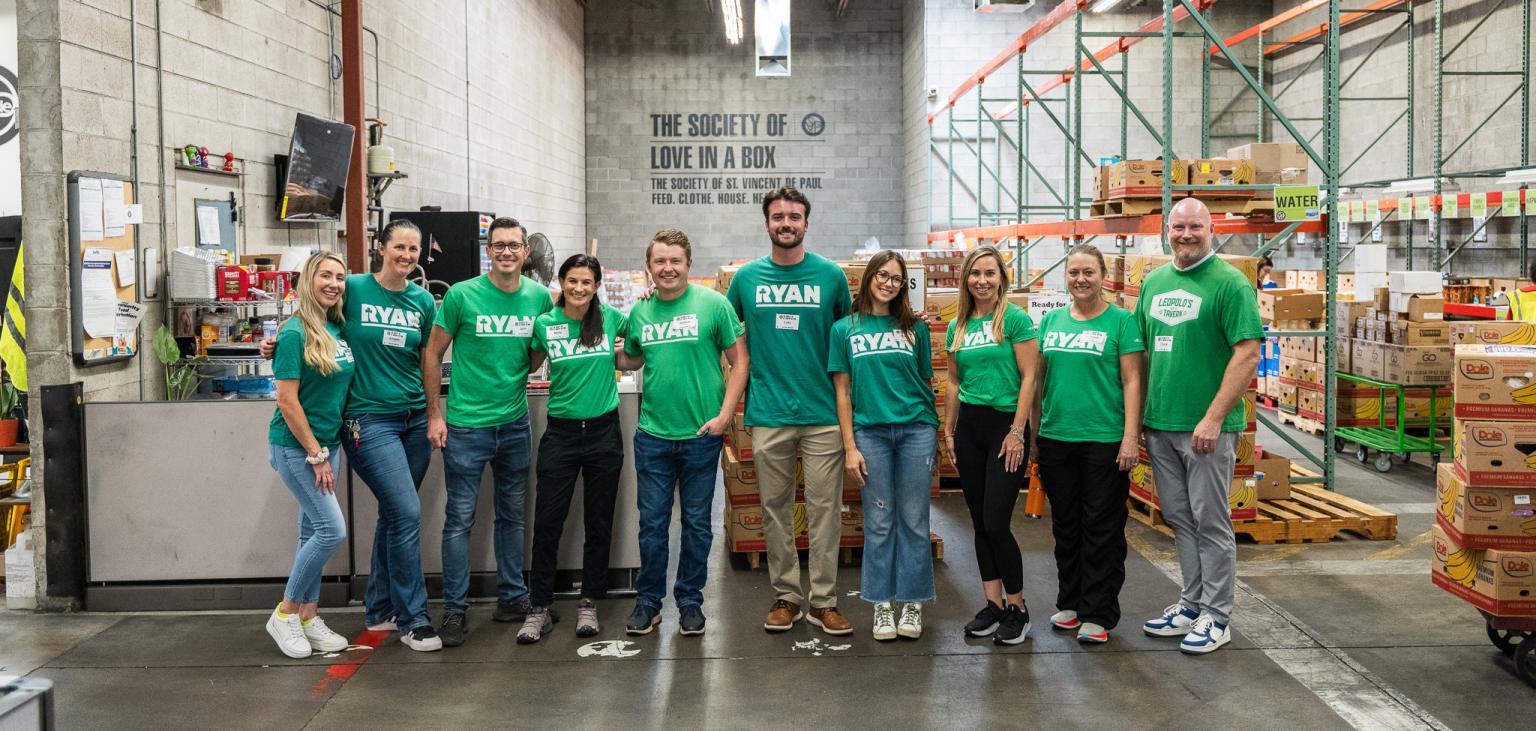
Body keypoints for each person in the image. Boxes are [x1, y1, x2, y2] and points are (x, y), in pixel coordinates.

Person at [1136, 197, 1263, 655]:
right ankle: (1191, 603)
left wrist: (1212, 417)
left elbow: (1247, 352)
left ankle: (1217, 614)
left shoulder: (1229, 284)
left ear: (1212, 230)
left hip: (1207, 429)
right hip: (1161, 424)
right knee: (1180, 519)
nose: (1185, 235)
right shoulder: (1154, 283)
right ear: (1166, 231)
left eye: (1195, 227)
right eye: (1178, 227)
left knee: (1211, 521)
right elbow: (1143, 354)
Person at [725, 187, 855, 636]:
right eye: (778, 216)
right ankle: (786, 597)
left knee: (824, 510)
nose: (786, 223)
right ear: (766, 223)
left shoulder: (831, 277)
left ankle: (824, 601)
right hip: (769, 413)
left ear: (806, 223)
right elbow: (728, 334)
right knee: (775, 509)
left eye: (794, 216)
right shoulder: (745, 280)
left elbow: (848, 336)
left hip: (823, 415)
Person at [422, 217, 554, 647]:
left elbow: (533, 358)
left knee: (512, 516)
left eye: (514, 245)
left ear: (526, 251)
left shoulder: (538, 297)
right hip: (465, 426)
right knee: (459, 519)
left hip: (515, 423)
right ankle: (455, 610)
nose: (507, 253)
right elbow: (433, 353)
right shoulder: (462, 296)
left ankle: (512, 597)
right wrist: (435, 414)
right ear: (488, 251)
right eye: (498, 246)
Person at [620, 230, 748, 637]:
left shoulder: (714, 305)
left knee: (696, 524)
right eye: (660, 261)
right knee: (652, 525)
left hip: (700, 435)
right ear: (649, 267)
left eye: (675, 260)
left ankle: (690, 601)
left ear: (689, 264)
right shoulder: (640, 312)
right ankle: (648, 601)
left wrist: (725, 416)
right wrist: (592, 345)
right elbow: (632, 358)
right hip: (653, 436)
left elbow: (740, 362)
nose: (667, 268)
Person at [1032, 244, 1144, 644]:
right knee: (1066, 525)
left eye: (1088, 273)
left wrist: (1131, 436)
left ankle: (1099, 611)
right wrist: (1033, 434)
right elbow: (1039, 383)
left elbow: (1133, 381)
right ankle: (1072, 602)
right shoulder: (1051, 322)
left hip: (1105, 439)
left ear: (1102, 277)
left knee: (1102, 526)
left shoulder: (1121, 322)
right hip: (1056, 437)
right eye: (1074, 272)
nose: (1080, 279)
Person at [829, 251, 938, 641]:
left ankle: (911, 602)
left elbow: (925, 382)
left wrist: (935, 437)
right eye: (882, 275)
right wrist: (849, 446)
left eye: (897, 278)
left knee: (913, 520)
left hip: (916, 431)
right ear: (869, 277)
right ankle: (880, 606)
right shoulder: (844, 329)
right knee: (879, 522)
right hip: (870, 434)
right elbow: (842, 392)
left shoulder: (915, 329)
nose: (889, 283)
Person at [520, 255, 629, 644]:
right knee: (548, 522)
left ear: (597, 285)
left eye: (587, 282)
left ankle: (589, 601)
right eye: (572, 281)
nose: (579, 289)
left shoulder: (613, 319)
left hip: (604, 432)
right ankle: (539, 606)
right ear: (561, 283)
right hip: (561, 434)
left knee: (599, 522)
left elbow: (636, 347)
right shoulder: (545, 324)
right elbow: (531, 360)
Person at [942, 245, 1039, 646]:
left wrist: (1018, 431)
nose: (982, 280)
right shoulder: (958, 325)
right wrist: (949, 429)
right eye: (975, 273)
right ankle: (993, 604)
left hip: (1005, 428)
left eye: (990, 273)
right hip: (970, 429)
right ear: (966, 279)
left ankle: (1018, 607)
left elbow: (1030, 377)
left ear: (1002, 278)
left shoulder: (1014, 319)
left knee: (997, 521)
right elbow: (952, 380)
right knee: (979, 522)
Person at [265, 251, 356, 659]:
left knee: (310, 532)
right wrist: (315, 454)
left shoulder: (334, 326)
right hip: (298, 448)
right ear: (307, 279)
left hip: (327, 444)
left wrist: (326, 449)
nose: (333, 283)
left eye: (339, 277)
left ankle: (307, 616)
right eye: (325, 275)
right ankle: (284, 613)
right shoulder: (293, 333)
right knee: (330, 530)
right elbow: (287, 401)